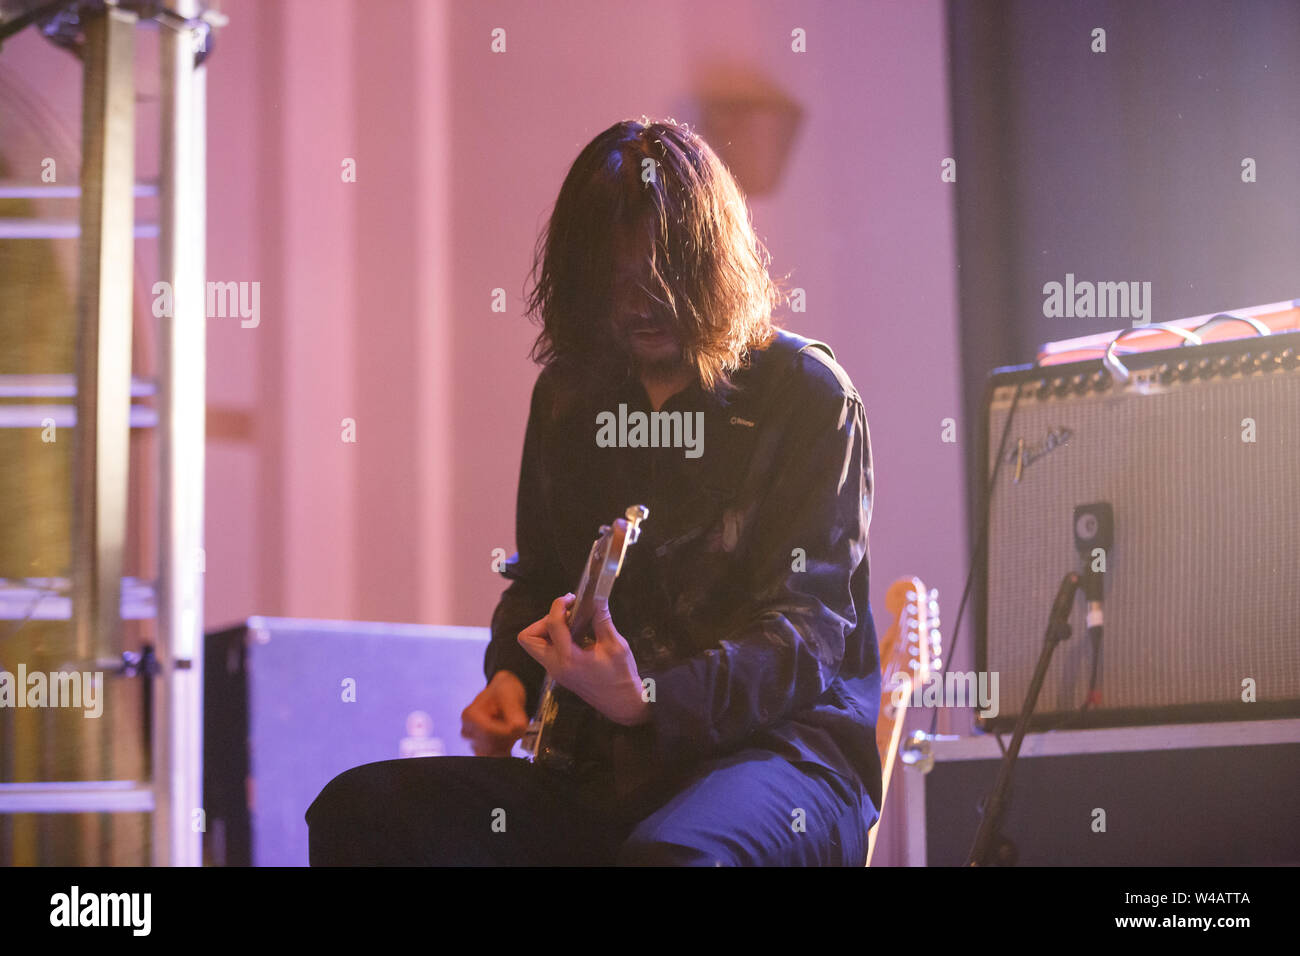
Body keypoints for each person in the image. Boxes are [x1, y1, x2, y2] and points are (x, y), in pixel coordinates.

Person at [306, 117, 881, 866]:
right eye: (613, 279)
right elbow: (540, 578)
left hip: (783, 760)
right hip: (601, 768)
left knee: (671, 859)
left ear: (709, 262)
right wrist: (510, 676)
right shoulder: (570, 399)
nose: (638, 302)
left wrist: (647, 697)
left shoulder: (807, 394)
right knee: (361, 812)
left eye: (659, 273)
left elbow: (807, 633)